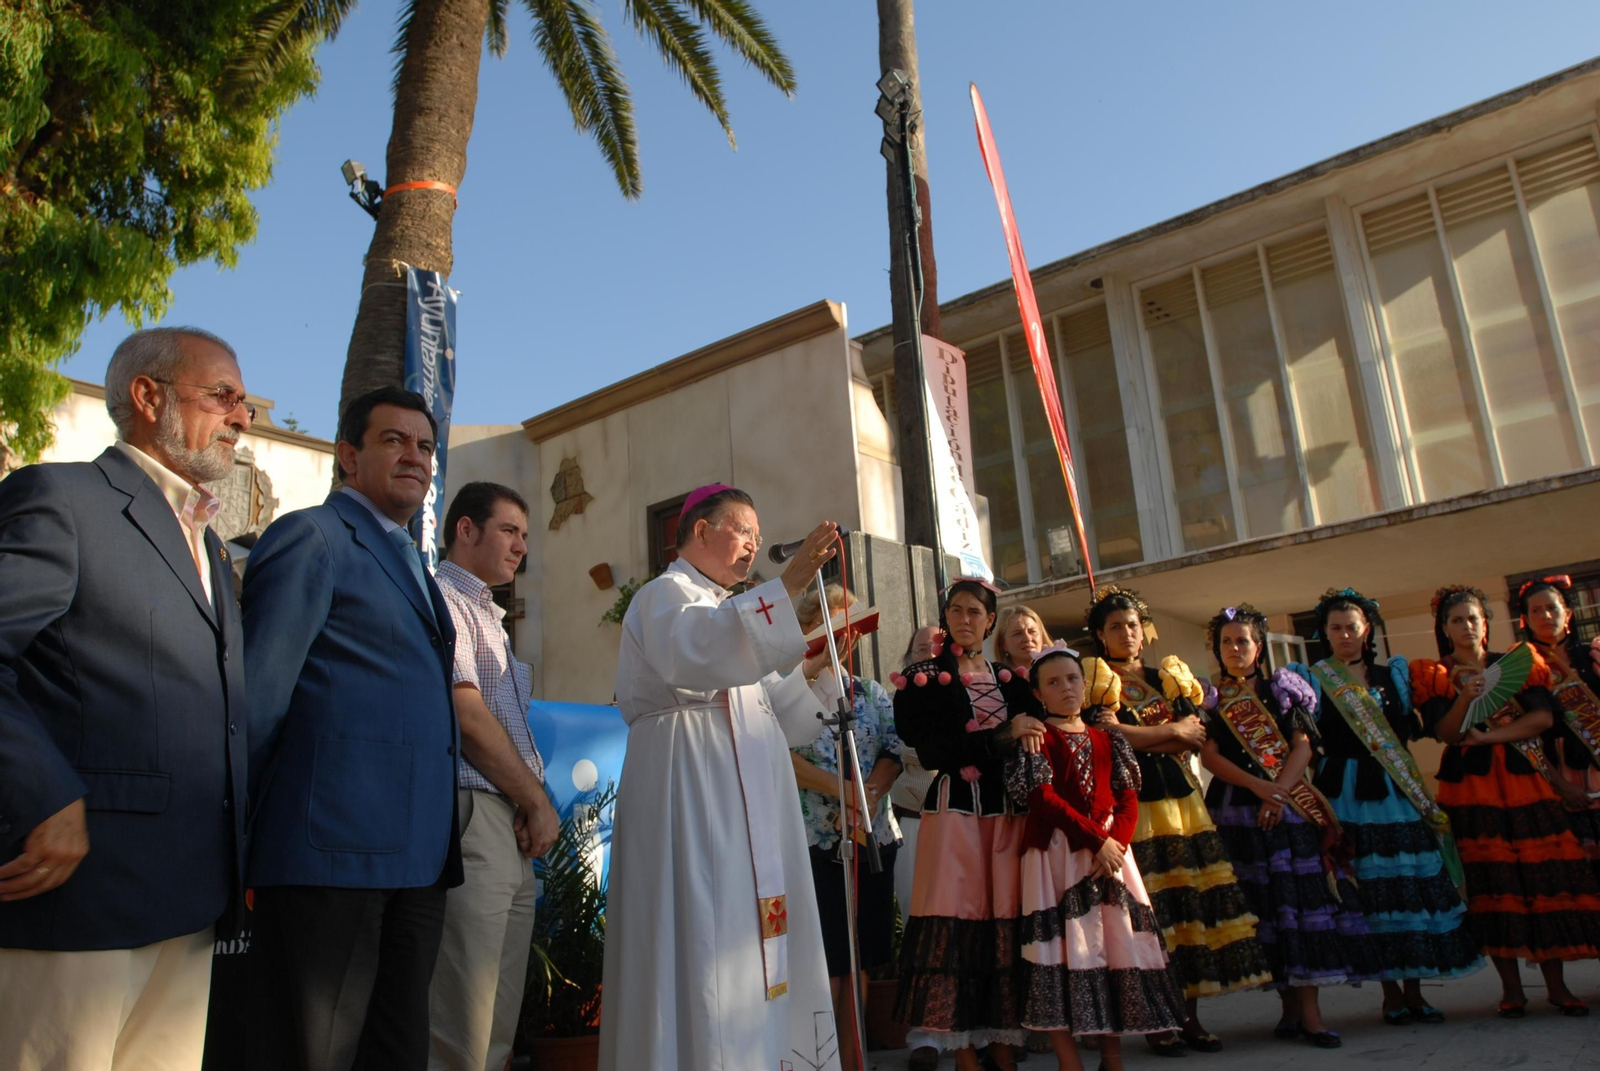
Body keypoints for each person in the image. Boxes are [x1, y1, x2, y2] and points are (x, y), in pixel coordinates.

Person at [0, 327, 252, 1070]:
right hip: (80, 901)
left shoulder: (209, 543)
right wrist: (44, 795)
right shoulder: (62, 499)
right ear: (148, 396)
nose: (243, 415)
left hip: (190, 902)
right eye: (223, 394)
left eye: (243, 400)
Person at [243, 386, 462, 1071]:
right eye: (394, 440)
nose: (415, 457)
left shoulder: (413, 565)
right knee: (317, 1054)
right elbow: (256, 700)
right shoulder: (310, 537)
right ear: (348, 454)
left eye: (425, 446)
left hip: (418, 859)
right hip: (329, 854)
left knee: (396, 1052)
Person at [599, 485, 845, 1071]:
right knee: (702, 928)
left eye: (758, 539)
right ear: (701, 531)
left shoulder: (734, 616)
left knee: (752, 934)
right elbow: (701, 652)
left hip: (751, 794)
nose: (752, 546)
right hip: (689, 776)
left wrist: (822, 666)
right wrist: (786, 589)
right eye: (742, 532)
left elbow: (781, 713)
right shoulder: (666, 595)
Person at [1081, 586, 1270, 1056]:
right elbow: (1107, 737)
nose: (1126, 633)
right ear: (1100, 636)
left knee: (1186, 913)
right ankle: (1154, 1020)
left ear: (1144, 632)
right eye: (1115, 627)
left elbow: (1194, 739)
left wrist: (1155, 736)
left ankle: (1188, 1017)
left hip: (1181, 803)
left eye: (1133, 625)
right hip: (1131, 806)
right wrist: (1169, 731)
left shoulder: (1165, 677)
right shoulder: (1096, 682)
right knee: (1148, 915)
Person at [1290, 588, 1482, 1026]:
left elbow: (1411, 731)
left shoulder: (1393, 676)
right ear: (1324, 633)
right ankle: (1390, 994)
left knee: (1407, 888)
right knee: (1368, 892)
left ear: (1367, 630)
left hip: (1396, 792)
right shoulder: (1314, 679)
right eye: (1335, 628)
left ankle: (1415, 991)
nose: (1344, 635)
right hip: (1344, 793)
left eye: (1352, 627)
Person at [1414, 585, 1600, 1018]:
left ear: (1486, 623)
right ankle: (1512, 991)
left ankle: (1557, 988)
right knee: (1493, 885)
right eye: (1456, 620)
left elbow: (1542, 718)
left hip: (1524, 782)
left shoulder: (1515, 665)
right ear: (1444, 628)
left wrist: (1491, 735)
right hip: (1473, 788)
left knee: (1542, 882)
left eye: (1473, 618)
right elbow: (1447, 733)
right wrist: (1465, 696)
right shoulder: (1437, 675)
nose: (1466, 626)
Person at [1199, 604, 1379, 1049]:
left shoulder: (1284, 688)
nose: (1235, 649)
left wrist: (1276, 792)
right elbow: (1210, 756)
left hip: (1288, 808)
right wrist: (1259, 788)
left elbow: (1303, 746)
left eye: (1243, 640)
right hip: (1237, 809)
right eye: (1227, 642)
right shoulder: (1214, 697)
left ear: (1259, 646)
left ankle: (1312, 1016)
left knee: (1298, 910)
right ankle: (1288, 1011)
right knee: (1265, 912)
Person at [428, 481, 560, 1071]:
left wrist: (528, 804)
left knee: (497, 1024)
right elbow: (467, 716)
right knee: (462, 1018)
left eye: (525, 536)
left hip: (506, 823)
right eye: (509, 530)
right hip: (474, 812)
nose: (520, 548)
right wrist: (534, 797)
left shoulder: (489, 615)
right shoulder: (443, 598)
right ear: (465, 529)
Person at [1006, 643, 1185, 1071]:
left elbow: (1127, 797)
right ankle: (1071, 1062)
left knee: (1114, 947)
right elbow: (1041, 798)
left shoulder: (1108, 738)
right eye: (1053, 682)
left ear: (1085, 686)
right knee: (1060, 953)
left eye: (1071, 679)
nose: (1065, 688)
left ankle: (1112, 1058)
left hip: (1109, 856)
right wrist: (1095, 841)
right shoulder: (1037, 738)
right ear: (1038, 694)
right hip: (1058, 854)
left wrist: (1116, 846)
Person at [891, 577, 1046, 1071]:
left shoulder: (1015, 680)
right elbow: (934, 751)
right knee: (956, 921)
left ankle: (1001, 1040)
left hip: (1007, 814)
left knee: (1004, 918)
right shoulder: (922, 679)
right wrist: (1002, 735)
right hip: (955, 809)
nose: (964, 618)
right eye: (955, 610)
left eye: (974, 611)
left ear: (989, 620)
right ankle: (961, 1048)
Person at [791, 582, 904, 1071]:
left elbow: (892, 750)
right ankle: (825, 1057)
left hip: (871, 836)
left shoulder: (869, 691)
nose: (844, 634)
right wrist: (841, 790)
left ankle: (856, 1055)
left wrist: (868, 796)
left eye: (850, 623)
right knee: (828, 953)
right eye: (832, 620)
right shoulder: (788, 690)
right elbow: (781, 757)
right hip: (813, 838)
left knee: (860, 953)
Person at [1516, 576, 1600, 866]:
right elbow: (1523, 734)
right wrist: (1559, 783)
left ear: (1569, 613)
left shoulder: (1594, 656)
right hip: (1556, 775)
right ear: (1525, 620)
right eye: (1536, 611)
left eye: (1552, 608)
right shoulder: (1519, 667)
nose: (1546, 616)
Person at [890, 625, 942, 1071]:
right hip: (914, 824)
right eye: (920, 649)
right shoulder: (895, 701)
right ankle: (924, 1035)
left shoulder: (968, 693)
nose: (928, 656)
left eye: (937, 650)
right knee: (919, 929)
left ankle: (974, 1030)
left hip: (966, 825)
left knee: (973, 927)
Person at [994, 605, 1051, 671]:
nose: (1028, 639)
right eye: (1018, 634)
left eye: (1032, 631)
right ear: (1002, 643)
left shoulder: (1061, 671)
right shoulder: (995, 679)